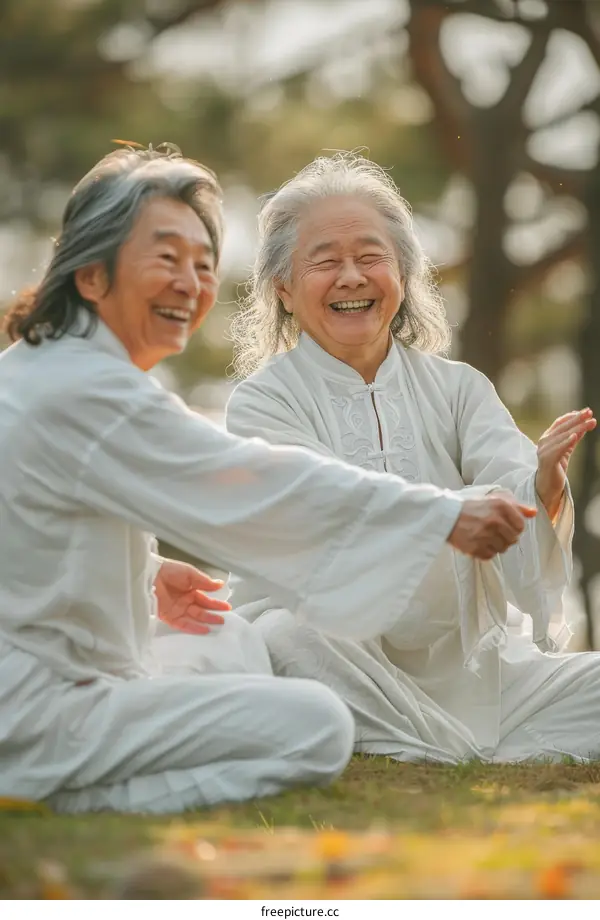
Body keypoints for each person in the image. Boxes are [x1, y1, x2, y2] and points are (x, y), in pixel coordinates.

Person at [0, 144, 529, 813]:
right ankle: (59, 796)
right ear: (90, 276)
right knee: (316, 724)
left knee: (229, 636)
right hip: (36, 709)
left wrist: (144, 573)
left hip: (39, 683)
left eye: (201, 263)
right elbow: (254, 484)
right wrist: (440, 515)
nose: (190, 283)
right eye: (165, 258)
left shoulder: (33, 369)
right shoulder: (91, 391)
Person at [226, 152, 600, 764]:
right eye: (326, 261)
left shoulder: (460, 388)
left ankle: (430, 746)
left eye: (371, 257)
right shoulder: (262, 402)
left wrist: (542, 486)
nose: (352, 277)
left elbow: (511, 488)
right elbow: (325, 509)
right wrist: (457, 515)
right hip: (341, 656)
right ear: (285, 291)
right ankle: (459, 751)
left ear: (403, 276)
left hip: (480, 672)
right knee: (283, 640)